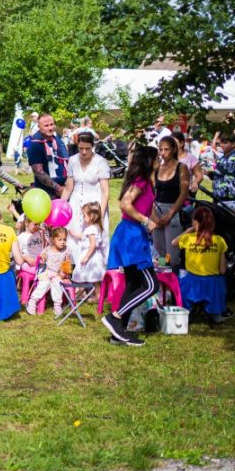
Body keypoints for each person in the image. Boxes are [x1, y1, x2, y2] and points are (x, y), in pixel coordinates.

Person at [101, 145, 160, 347]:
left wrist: (157, 221)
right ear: (148, 161)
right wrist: (145, 220)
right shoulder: (141, 180)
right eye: (156, 157)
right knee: (151, 285)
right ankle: (114, 317)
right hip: (130, 236)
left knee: (134, 284)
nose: (160, 160)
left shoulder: (148, 182)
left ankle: (118, 332)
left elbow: (145, 208)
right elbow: (125, 204)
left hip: (133, 234)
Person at [172, 206, 228, 324]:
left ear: (195, 222)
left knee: (180, 279)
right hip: (213, 286)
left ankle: (186, 310)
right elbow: (222, 270)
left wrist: (188, 230)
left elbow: (174, 242)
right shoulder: (219, 240)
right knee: (220, 280)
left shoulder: (188, 238)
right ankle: (215, 312)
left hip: (192, 284)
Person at [61, 133, 110, 264]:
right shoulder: (72, 160)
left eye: (87, 148)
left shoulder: (100, 162)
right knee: (74, 235)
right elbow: (68, 188)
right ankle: (77, 268)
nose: (84, 152)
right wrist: (60, 206)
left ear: (92, 146)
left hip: (94, 205)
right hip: (76, 203)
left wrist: (100, 214)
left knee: (94, 237)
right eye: (81, 148)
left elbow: (105, 192)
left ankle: (96, 269)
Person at [152, 136, 190, 272]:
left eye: (166, 149)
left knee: (172, 254)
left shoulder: (181, 168)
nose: (163, 153)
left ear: (174, 149)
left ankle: (175, 278)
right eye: (160, 149)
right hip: (156, 210)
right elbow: (150, 193)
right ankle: (165, 280)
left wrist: (170, 214)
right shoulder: (157, 168)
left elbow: (184, 193)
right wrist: (154, 217)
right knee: (160, 250)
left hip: (173, 210)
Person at [28, 227, 70, 316]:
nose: (62, 242)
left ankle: (57, 305)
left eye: (64, 239)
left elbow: (67, 264)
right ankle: (33, 301)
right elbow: (41, 259)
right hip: (47, 272)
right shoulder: (47, 249)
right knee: (44, 283)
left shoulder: (66, 250)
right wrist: (42, 259)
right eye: (60, 240)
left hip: (58, 274)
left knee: (57, 283)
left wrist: (63, 274)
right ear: (53, 239)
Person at [27, 114, 70, 199]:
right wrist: (58, 188)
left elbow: (68, 164)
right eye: (46, 125)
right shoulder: (36, 143)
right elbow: (38, 172)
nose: (50, 128)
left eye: (51, 124)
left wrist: (67, 187)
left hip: (65, 190)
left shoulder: (58, 141)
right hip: (47, 194)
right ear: (39, 127)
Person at [71, 202, 106, 285]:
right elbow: (83, 237)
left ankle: (80, 290)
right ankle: (95, 294)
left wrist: (86, 257)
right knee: (94, 278)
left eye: (84, 216)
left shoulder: (91, 229)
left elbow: (92, 244)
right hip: (93, 255)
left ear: (91, 217)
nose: (83, 218)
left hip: (90, 256)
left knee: (84, 274)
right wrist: (74, 234)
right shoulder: (94, 228)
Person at [209, 133, 235, 200]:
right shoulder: (222, 158)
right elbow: (220, 175)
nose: (222, 145)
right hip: (218, 193)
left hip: (230, 194)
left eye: (225, 143)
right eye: (221, 143)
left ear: (233, 144)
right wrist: (210, 174)